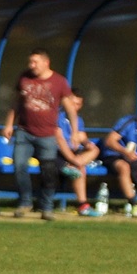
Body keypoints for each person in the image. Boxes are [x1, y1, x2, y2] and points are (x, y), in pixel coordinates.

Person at [2, 48, 74, 221]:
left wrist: (76, 132)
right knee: (19, 165)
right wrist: (9, 124)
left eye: (35, 62)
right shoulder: (24, 77)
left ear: (45, 62)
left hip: (48, 134)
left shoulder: (59, 81)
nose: (31, 65)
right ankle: (25, 202)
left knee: (48, 171)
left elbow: (70, 108)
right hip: (24, 132)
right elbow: (16, 102)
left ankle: (46, 208)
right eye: (30, 62)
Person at [55, 87, 101, 216]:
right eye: (73, 103)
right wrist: (72, 159)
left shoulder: (78, 119)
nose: (76, 107)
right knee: (80, 168)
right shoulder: (57, 116)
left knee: (95, 150)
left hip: (75, 154)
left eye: (79, 104)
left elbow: (83, 137)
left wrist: (87, 144)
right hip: (59, 153)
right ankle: (83, 205)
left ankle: (73, 165)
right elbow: (59, 140)